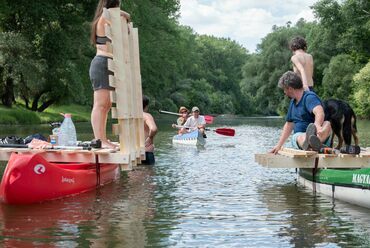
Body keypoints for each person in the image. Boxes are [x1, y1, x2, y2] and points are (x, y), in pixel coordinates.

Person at [89, 0, 130, 149]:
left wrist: (124, 14)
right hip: (102, 64)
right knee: (100, 105)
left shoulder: (108, 15)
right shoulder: (107, 16)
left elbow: (123, 17)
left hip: (107, 64)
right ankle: (100, 140)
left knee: (105, 105)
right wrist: (126, 15)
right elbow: (124, 18)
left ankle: (103, 139)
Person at [270, 71, 332, 154]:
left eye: (284, 89)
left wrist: (317, 125)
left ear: (290, 88)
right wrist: (279, 145)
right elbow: (289, 125)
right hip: (300, 137)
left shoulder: (309, 97)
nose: (284, 92)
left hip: (318, 135)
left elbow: (319, 111)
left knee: (327, 124)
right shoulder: (293, 103)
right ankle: (310, 142)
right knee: (300, 137)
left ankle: (314, 143)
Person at [142, 96, 157, 165]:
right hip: (146, 151)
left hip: (132, 153)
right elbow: (153, 129)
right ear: (146, 106)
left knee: (134, 175)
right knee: (148, 174)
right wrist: (150, 137)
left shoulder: (129, 117)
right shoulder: (146, 116)